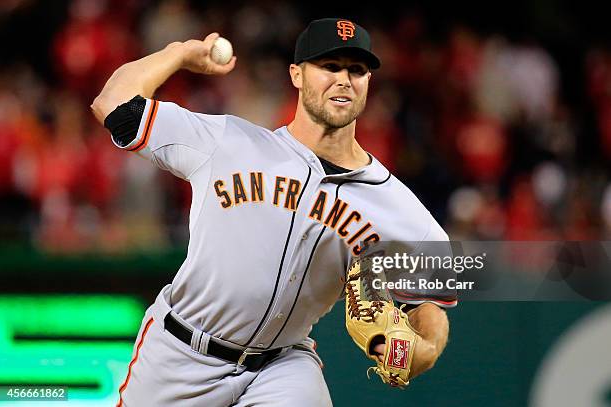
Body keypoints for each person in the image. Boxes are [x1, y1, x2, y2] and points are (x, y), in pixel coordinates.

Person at [92, 17, 453, 407]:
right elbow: (112, 103)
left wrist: (425, 348)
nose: (344, 79)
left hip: (281, 366)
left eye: (357, 70)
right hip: (181, 353)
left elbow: (431, 297)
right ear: (297, 75)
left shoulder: (395, 205)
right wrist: (177, 53)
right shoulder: (228, 142)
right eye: (330, 67)